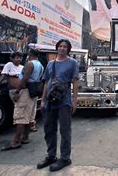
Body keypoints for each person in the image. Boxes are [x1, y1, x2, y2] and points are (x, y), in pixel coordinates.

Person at [37, 39, 79, 172]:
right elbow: (46, 83)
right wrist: (43, 100)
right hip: (50, 101)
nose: (62, 48)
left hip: (64, 101)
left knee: (65, 130)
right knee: (49, 129)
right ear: (57, 48)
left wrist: (74, 101)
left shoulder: (72, 63)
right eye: (60, 46)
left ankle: (65, 158)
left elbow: (75, 83)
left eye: (64, 47)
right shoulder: (51, 63)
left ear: (68, 49)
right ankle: (51, 155)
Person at [1, 50, 42, 151]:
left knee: (20, 117)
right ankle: (25, 137)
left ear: (29, 55)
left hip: (25, 92)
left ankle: (16, 141)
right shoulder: (40, 65)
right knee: (28, 116)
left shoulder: (29, 64)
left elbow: (24, 79)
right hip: (33, 92)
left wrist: (17, 92)